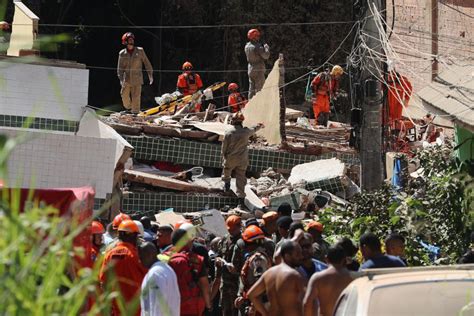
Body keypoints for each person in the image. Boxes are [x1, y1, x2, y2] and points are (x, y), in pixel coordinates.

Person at [99, 220, 148, 316]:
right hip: (136, 309)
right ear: (133, 236)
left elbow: (103, 281)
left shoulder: (109, 254)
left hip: (116, 308)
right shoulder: (136, 255)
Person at [247, 240, 305, 316]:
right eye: (297, 254)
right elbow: (307, 302)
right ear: (287, 256)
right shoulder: (293, 275)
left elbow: (251, 294)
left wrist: (265, 313)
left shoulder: (268, 274)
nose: (301, 256)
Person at [221, 112, 264, 205]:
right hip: (242, 159)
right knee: (241, 178)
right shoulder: (246, 132)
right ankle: (240, 200)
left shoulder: (229, 132)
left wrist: (224, 157)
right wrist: (259, 125)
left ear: (233, 121)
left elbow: (224, 147)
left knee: (226, 171)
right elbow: (253, 129)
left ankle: (226, 186)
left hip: (231, 158)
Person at [168, 226, 212, 316]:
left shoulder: (163, 258)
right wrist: (208, 306)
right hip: (191, 308)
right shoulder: (196, 260)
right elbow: (205, 287)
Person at [303, 245, 353, 316]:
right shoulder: (352, 277)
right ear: (343, 260)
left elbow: (307, 303)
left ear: (326, 259)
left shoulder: (318, 278)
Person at [140, 242, 180, 316]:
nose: (140, 261)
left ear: (150, 255)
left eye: (141, 257)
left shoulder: (155, 274)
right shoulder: (168, 269)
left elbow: (156, 306)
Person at [117, 32, 153, 114]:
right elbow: (120, 69)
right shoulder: (122, 53)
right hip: (126, 79)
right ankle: (129, 108)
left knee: (136, 97)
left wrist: (150, 74)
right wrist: (121, 80)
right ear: (125, 41)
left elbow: (146, 63)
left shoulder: (140, 51)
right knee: (124, 95)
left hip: (137, 79)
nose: (131, 41)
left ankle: (135, 113)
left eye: (132, 39)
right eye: (129, 39)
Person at [217, 215, 242, 316]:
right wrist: (218, 260)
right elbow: (219, 254)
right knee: (225, 310)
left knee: (237, 310)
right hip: (225, 283)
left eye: (233, 229)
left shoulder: (243, 242)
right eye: (229, 229)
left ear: (239, 227)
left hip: (237, 284)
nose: (231, 231)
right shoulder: (224, 240)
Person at [244, 28, 270, 99]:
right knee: (260, 89)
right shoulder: (258, 47)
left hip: (250, 68)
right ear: (254, 37)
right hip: (258, 69)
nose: (259, 37)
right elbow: (266, 56)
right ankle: (260, 106)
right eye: (257, 36)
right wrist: (266, 48)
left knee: (251, 89)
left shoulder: (246, 46)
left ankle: (250, 105)